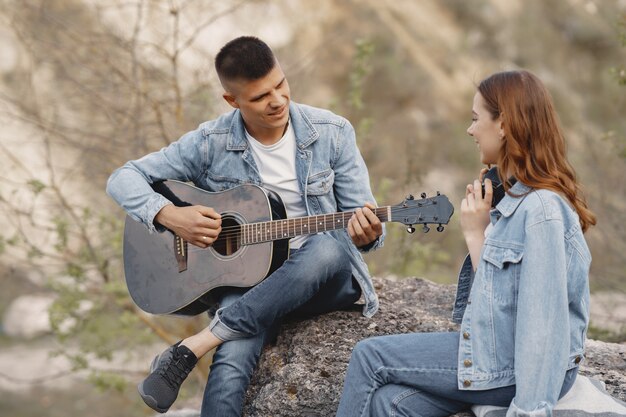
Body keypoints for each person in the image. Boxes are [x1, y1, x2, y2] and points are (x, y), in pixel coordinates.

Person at [106, 36, 385, 415]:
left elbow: (360, 226)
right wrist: (169, 215)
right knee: (233, 357)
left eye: (281, 85)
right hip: (252, 282)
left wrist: (368, 235)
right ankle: (220, 337)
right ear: (232, 101)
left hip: (325, 280)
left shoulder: (332, 132)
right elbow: (123, 178)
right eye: (259, 97)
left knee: (329, 245)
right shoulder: (211, 142)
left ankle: (196, 345)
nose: (278, 101)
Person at [335, 69, 596, 417]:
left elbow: (542, 328)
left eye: (476, 119)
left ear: (503, 124)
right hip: (501, 351)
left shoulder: (543, 211)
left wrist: (529, 411)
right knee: (391, 403)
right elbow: (496, 305)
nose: (470, 130)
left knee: (369, 357)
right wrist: (478, 232)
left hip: (517, 367)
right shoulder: (513, 200)